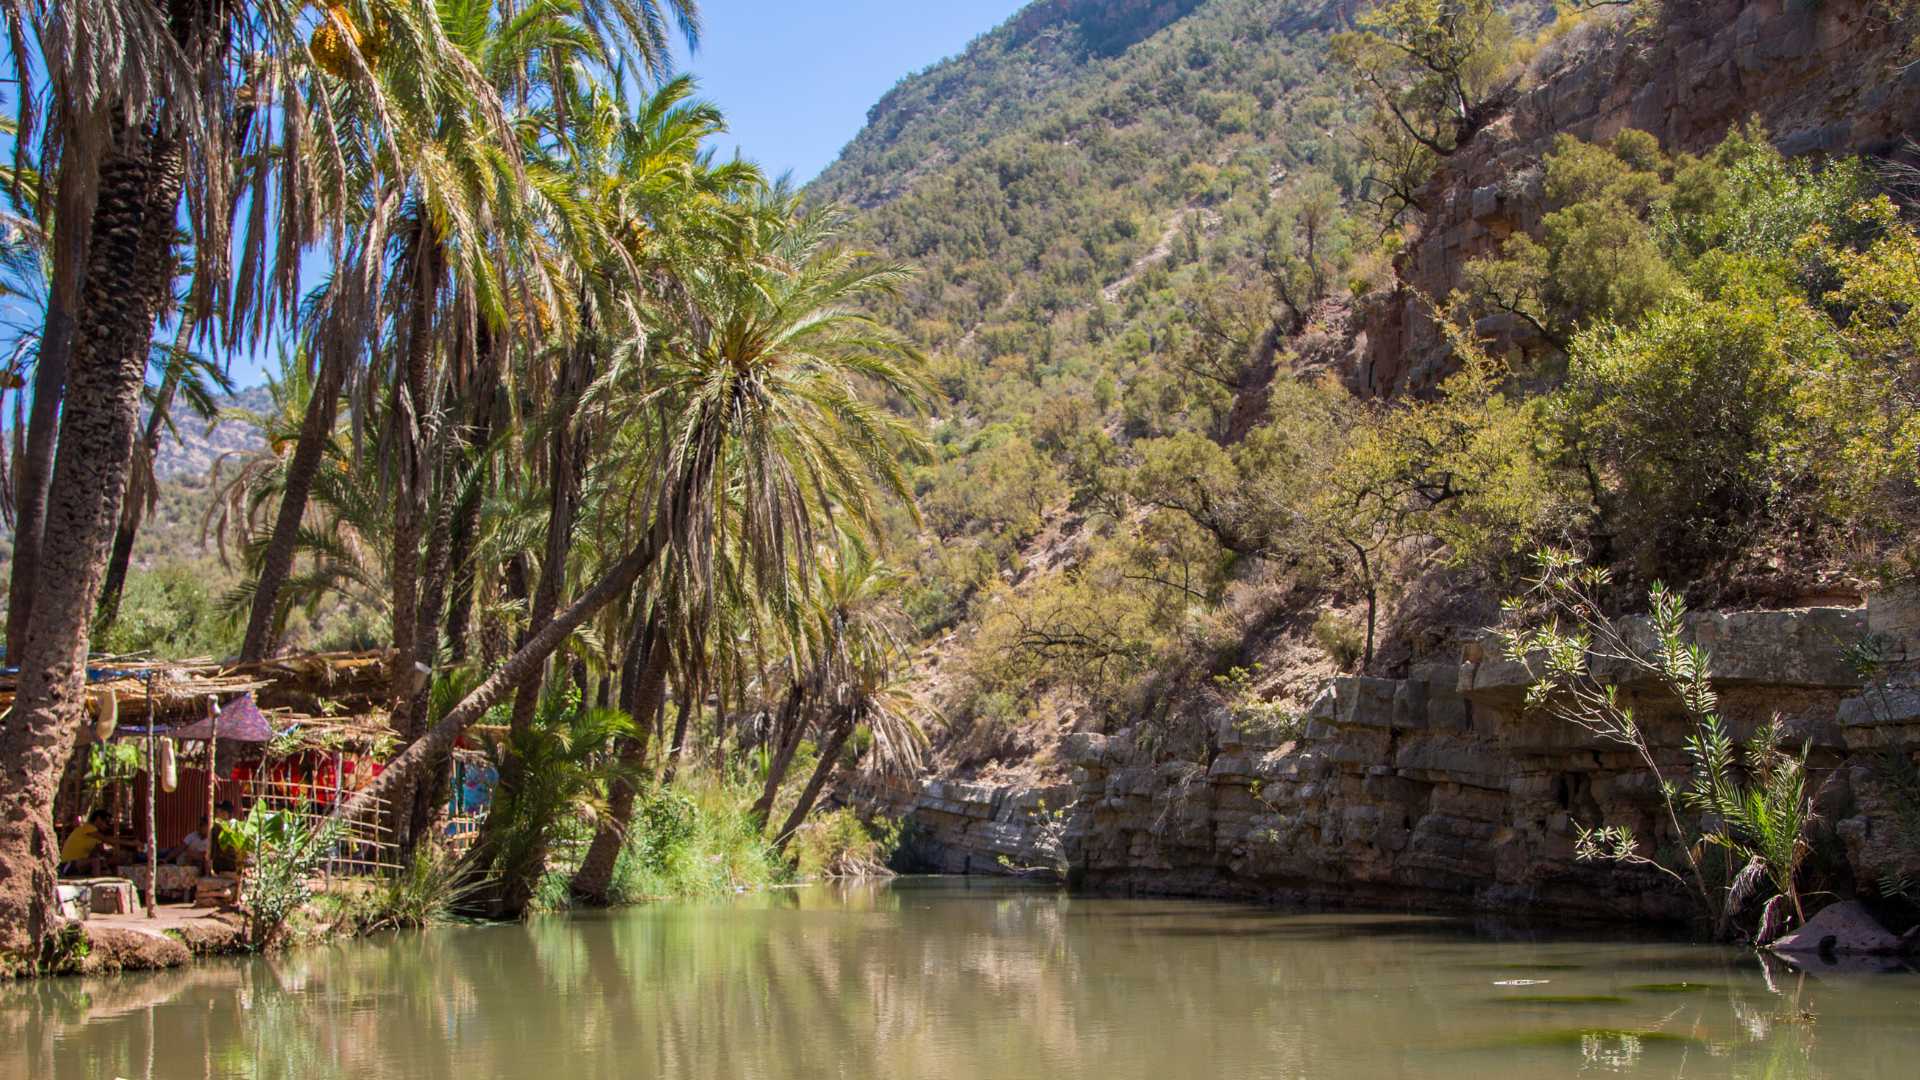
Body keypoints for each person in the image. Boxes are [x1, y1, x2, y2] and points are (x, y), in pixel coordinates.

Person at [58, 810, 115, 877]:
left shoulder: (96, 837)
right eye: (107, 822)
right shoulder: (87, 828)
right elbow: (107, 840)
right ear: (98, 819)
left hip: (78, 864)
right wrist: (127, 843)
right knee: (95, 861)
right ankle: (97, 882)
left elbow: (101, 852)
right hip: (67, 864)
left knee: (102, 862)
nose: (107, 826)